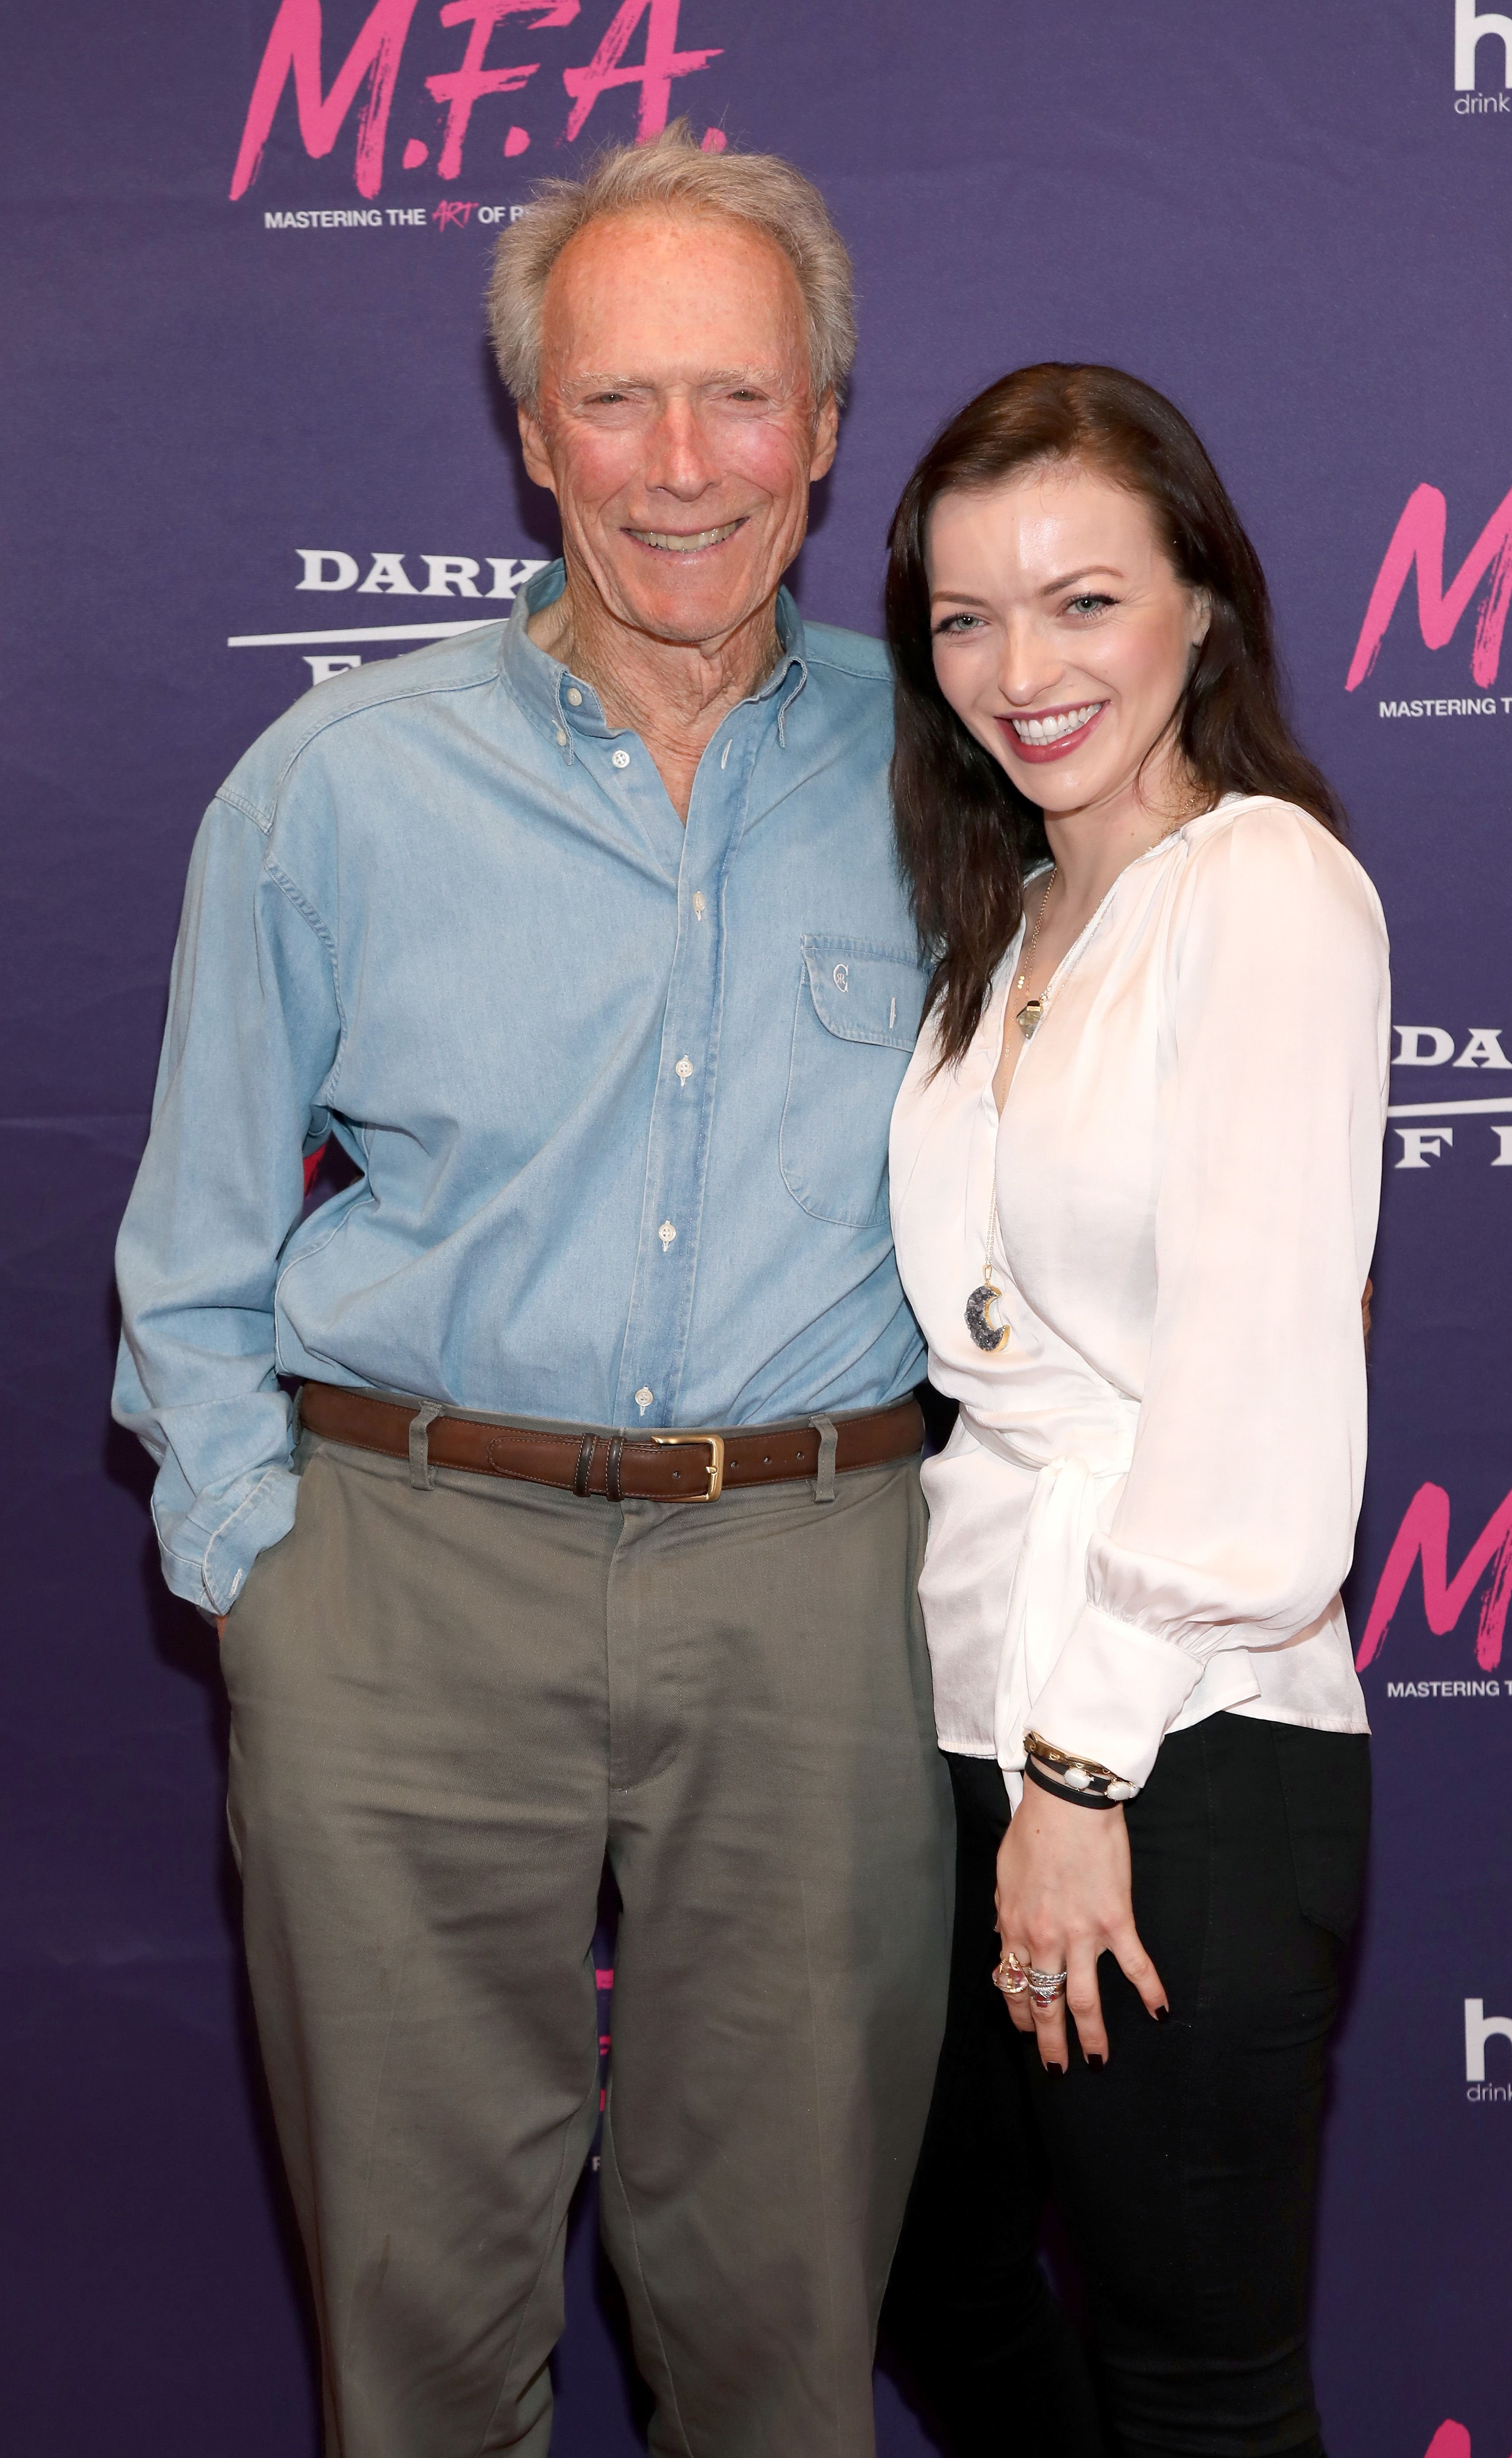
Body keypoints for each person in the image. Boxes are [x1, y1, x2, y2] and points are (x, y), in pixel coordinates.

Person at [113, 126, 953, 2458]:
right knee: (414, 2328)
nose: (680, 469)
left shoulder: (958, 772)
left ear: (823, 422)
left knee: (785, 2327)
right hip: (399, 1585)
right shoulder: (331, 790)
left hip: (811, 1586)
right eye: (614, 402)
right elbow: (191, 1246)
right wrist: (261, 1571)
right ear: (524, 436)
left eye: (738, 398)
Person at [878, 364, 1388, 2458]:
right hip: (957, 1711)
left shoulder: (1260, 887)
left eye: (1083, 603)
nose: (1024, 670)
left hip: (1174, 1743)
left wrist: (1074, 1774)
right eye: (966, 620)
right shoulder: (999, 922)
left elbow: (1253, 1367)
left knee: (1197, 2377)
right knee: (927, 2272)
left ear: (1199, 603)